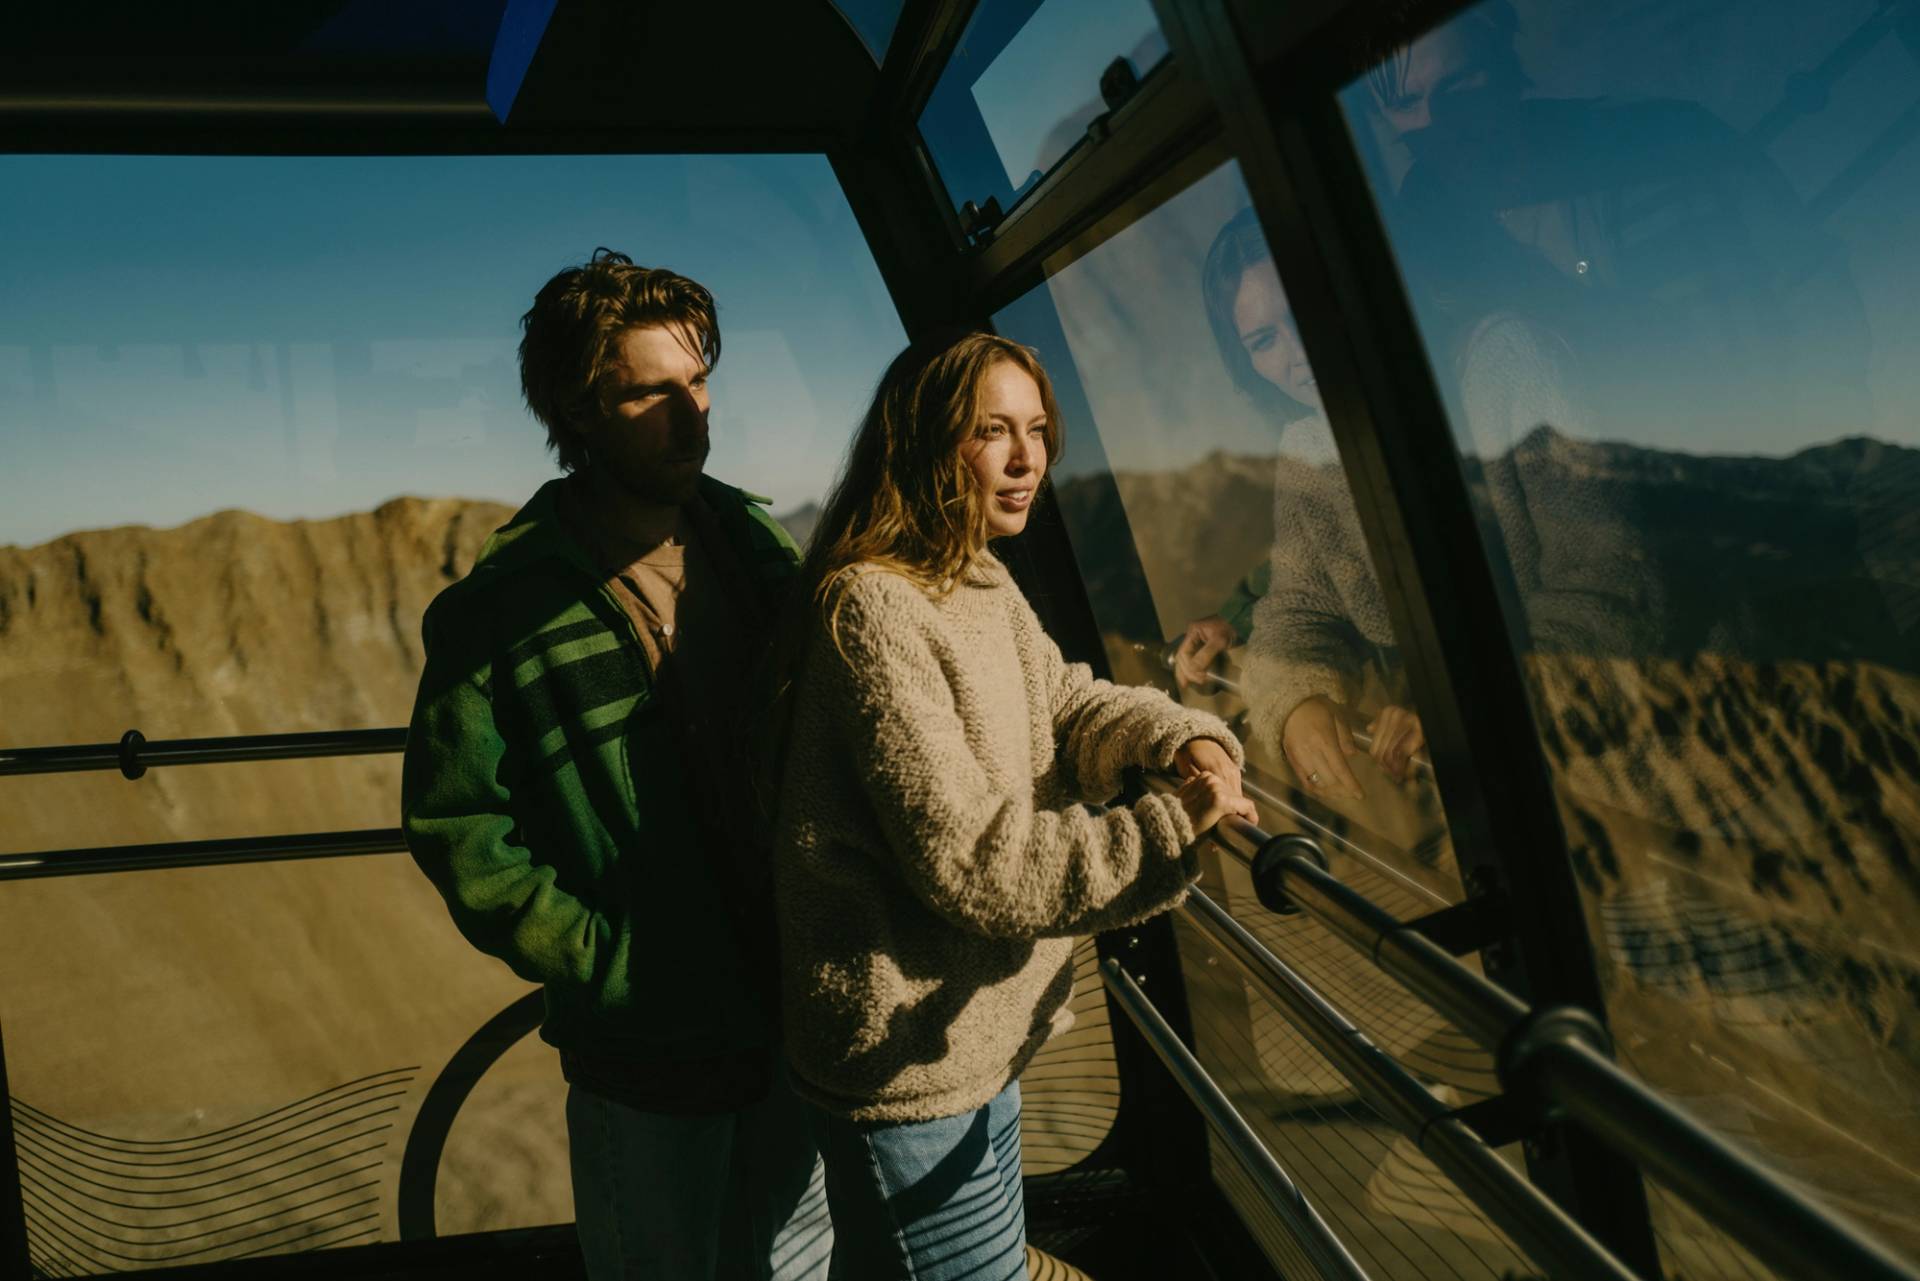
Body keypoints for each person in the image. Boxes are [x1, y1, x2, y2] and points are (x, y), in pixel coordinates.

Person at [769, 331, 1256, 1280]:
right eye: (993, 431)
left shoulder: (977, 577)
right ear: (924, 445)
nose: (1029, 458)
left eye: (1037, 429)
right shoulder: (873, 607)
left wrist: (1176, 735)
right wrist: (1167, 826)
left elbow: (1065, 702)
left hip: (979, 1034)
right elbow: (974, 863)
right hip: (907, 1063)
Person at [400, 249, 830, 1281]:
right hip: (646, 1059)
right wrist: (609, 964)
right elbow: (458, 826)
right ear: (581, 410)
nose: (694, 417)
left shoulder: (754, 544)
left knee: (803, 1269)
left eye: (700, 382)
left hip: (796, 1022)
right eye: (652, 394)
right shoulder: (507, 605)